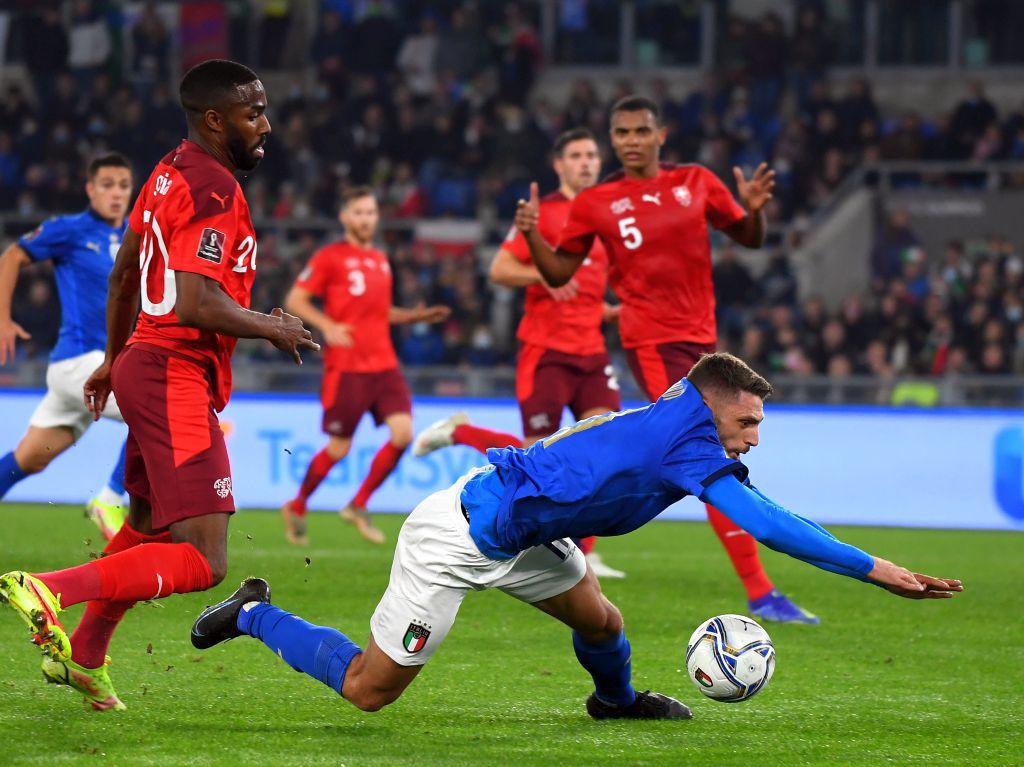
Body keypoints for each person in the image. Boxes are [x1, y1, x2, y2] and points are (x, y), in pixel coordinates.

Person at [193, 353, 961, 719]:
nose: (754, 436)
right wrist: (877, 569)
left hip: (529, 530)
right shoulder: (686, 441)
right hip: (459, 537)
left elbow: (607, 426)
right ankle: (255, 611)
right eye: (748, 421)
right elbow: (769, 526)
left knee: (603, 621)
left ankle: (615, 703)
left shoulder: (680, 411)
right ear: (711, 405)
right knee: (369, 691)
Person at [0, 60, 317, 711]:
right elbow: (195, 301)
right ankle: (51, 588)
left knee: (142, 525)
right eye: (254, 113)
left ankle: (85, 656)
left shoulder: (167, 171)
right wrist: (269, 324)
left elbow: (123, 276)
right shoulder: (218, 191)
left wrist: (116, 358)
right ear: (215, 119)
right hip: (173, 373)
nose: (267, 125)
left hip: (144, 361)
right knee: (206, 559)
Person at [514, 95, 818, 624]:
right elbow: (559, 272)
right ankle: (760, 591)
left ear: (661, 135)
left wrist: (754, 209)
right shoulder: (598, 201)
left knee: (702, 455)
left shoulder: (697, 181)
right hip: (650, 341)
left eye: (640, 131)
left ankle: (756, 589)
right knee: (708, 456)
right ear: (615, 139)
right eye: (622, 133)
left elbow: (748, 237)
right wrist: (531, 235)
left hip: (703, 339)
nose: (631, 140)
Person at [410, 127, 625, 578]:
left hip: (590, 351)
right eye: (577, 155)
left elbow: (592, 282)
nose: (587, 162)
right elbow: (500, 268)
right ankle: (462, 432)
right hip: (545, 350)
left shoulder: (606, 216)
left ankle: (585, 552)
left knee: (607, 448)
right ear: (559, 164)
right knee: (538, 457)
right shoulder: (542, 213)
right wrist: (545, 277)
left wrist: (606, 308)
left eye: (592, 155)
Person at [0, 153, 136, 573]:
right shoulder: (69, 230)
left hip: (101, 366)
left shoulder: (138, 234)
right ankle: (111, 499)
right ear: (90, 190)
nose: (116, 193)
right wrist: (2, 319)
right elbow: (10, 258)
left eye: (124, 185)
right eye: (107, 184)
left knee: (31, 457)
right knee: (156, 412)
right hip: (81, 361)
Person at [281, 187, 450, 546]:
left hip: (384, 365)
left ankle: (358, 504)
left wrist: (414, 316)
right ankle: (296, 505)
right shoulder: (330, 257)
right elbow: (296, 299)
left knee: (403, 434)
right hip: (348, 367)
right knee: (339, 448)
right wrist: (327, 326)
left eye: (371, 212)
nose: (366, 219)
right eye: (359, 212)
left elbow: (379, 313)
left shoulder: (380, 258)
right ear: (345, 217)